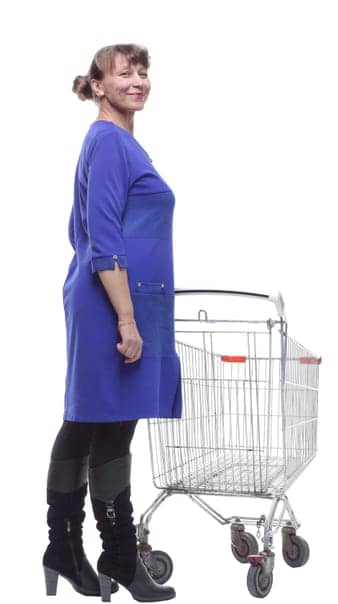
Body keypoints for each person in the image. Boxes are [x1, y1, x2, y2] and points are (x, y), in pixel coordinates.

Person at [47, 43, 179, 603]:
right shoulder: (106, 141)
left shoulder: (120, 142)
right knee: (106, 422)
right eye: (125, 72)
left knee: (92, 421)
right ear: (98, 85)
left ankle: (71, 549)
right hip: (112, 305)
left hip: (119, 299)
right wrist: (125, 317)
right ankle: (116, 554)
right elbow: (101, 237)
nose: (138, 80)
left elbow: (86, 230)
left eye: (143, 71)